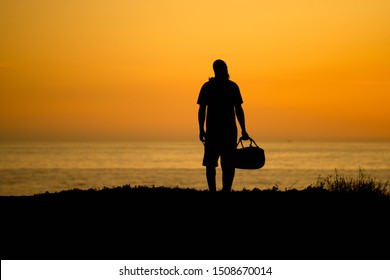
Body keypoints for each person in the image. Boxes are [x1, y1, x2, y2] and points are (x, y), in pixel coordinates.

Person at [197, 59, 249, 192]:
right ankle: (224, 191)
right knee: (225, 164)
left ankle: (216, 191)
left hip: (217, 132)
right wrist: (243, 129)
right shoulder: (231, 86)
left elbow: (202, 109)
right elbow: (238, 109)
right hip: (225, 131)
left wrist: (201, 130)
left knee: (215, 164)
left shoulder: (209, 87)